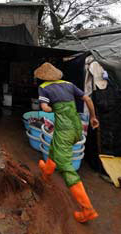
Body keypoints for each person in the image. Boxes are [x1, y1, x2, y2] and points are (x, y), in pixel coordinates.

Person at [34, 62, 99, 223]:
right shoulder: (68, 84)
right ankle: (46, 173)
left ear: (42, 77)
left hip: (65, 130)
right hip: (77, 127)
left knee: (65, 167)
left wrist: (54, 109)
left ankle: (87, 209)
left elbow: (44, 108)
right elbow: (87, 100)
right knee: (55, 149)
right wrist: (93, 117)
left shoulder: (44, 87)